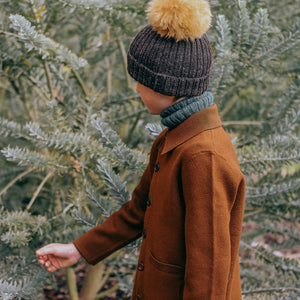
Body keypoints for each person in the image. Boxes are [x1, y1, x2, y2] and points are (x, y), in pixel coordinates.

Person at [36, 0, 246, 299]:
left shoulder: (203, 157)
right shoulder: (175, 138)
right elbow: (137, 212)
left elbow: (209, 274)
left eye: (141, 82)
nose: (136, 90)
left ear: (167, 85)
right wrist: (78, 249)